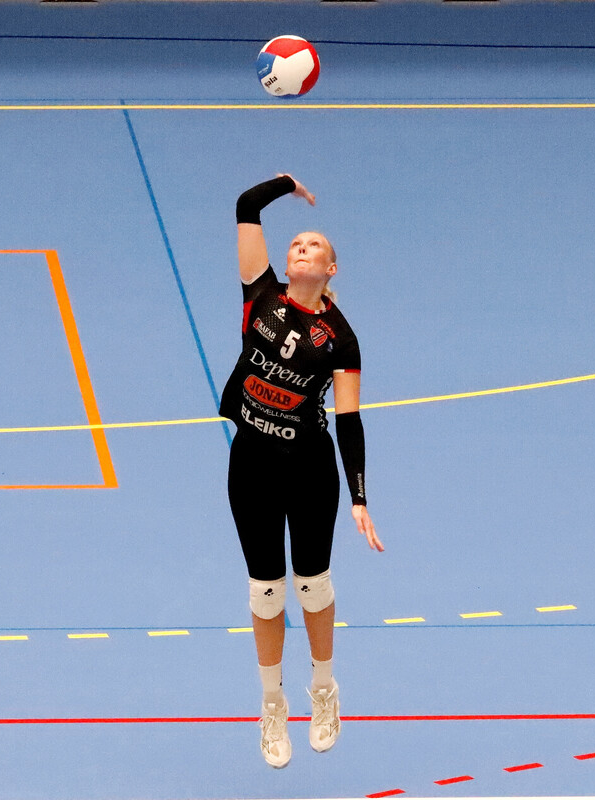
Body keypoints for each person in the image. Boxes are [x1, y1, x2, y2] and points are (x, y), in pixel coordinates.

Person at [219, 174, 383, 769]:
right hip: (252, 464)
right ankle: (272, 705)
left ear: (330, 269)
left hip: (310, 470)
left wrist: (360, 496)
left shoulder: (340, 339)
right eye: (296, 243)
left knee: (312, 584)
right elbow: (246, 205)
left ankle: (323, 689)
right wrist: (287, 185)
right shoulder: (259, 294)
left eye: (313, 245)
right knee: (265, 592)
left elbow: (349, 420)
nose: (300, 248)